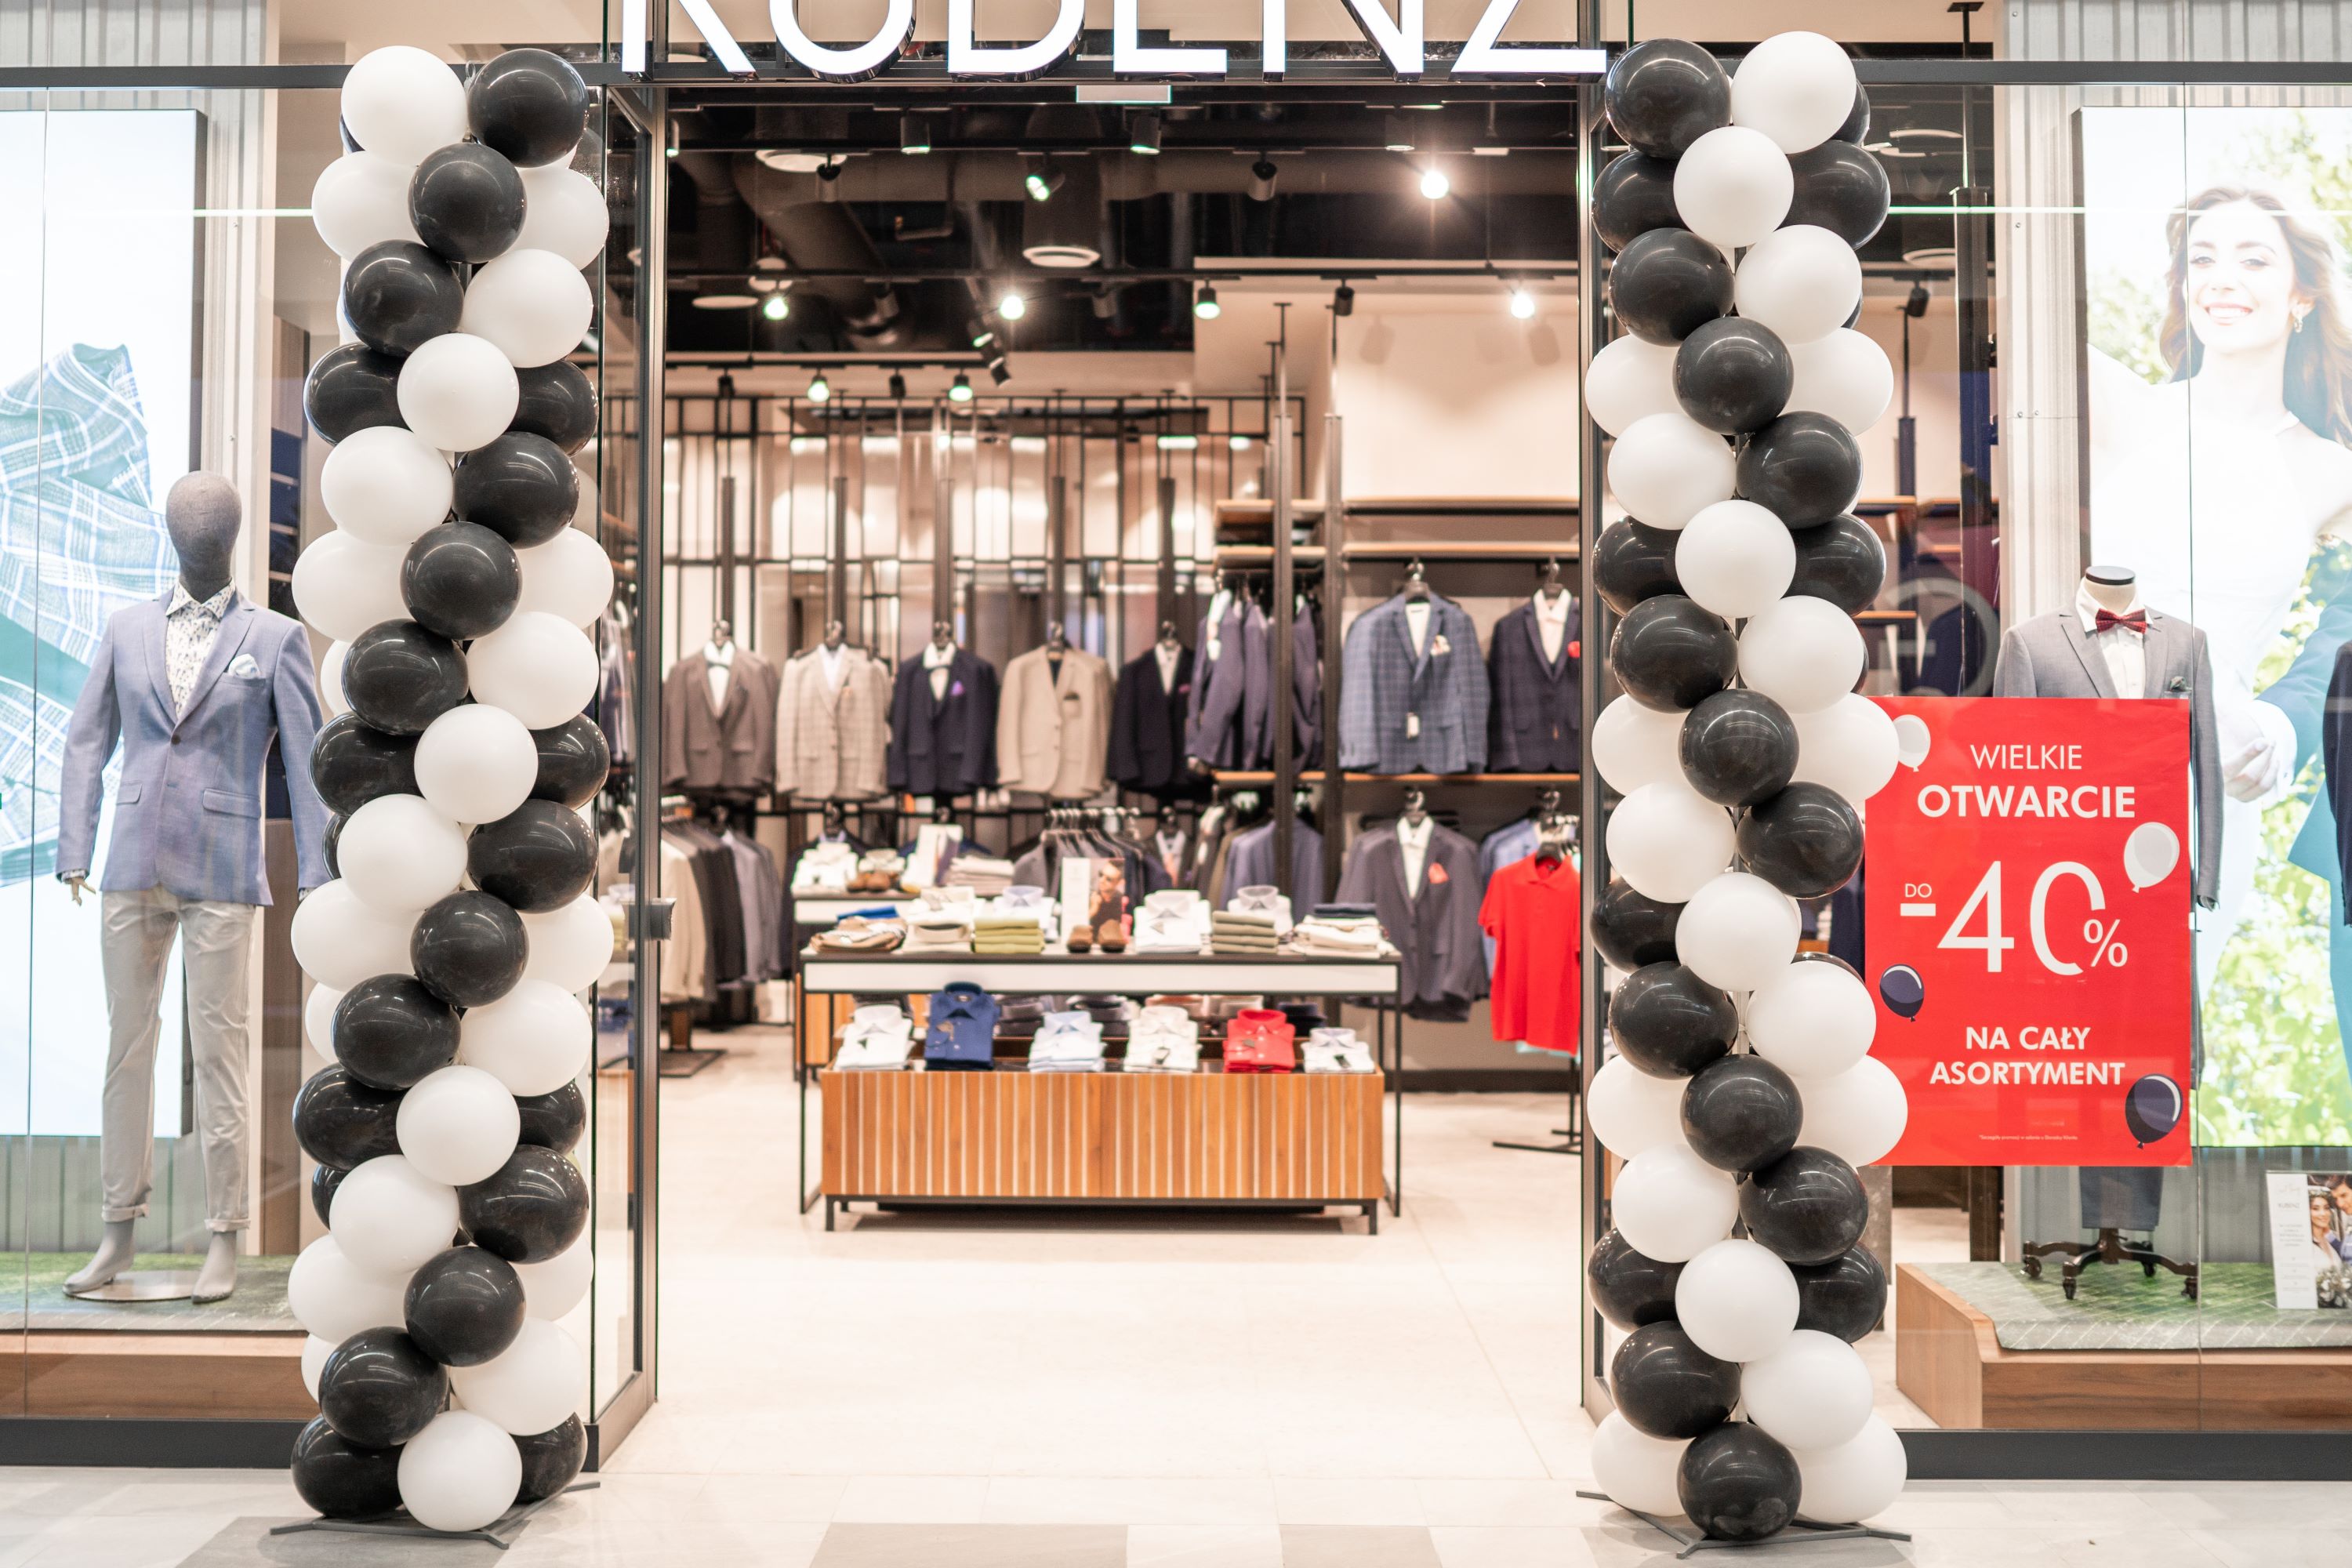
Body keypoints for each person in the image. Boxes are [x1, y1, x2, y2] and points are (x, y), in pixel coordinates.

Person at [2089, 186, 2352, 1067]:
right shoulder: (2114, 402)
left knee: (2153, 1054)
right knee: (2057, 1039)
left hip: (2209, 770)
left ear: (2301, 294)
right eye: (2202, 259)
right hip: (2075, 753)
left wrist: (2278, 721)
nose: (2221, 279)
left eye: (2253, 258)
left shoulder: (2330, 469)